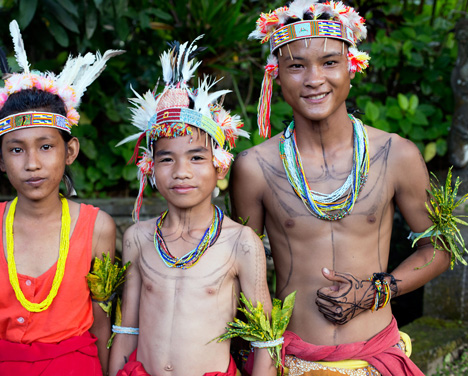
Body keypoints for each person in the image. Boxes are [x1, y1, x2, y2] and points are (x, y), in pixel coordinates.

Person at [230, 1, 450, 375]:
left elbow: (439, 249)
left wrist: (377, 290)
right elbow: (236, 270)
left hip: (377, 358)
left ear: (353, 67)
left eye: (330, 62)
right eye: (296, 66)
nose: (314, 79)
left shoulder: (396, 154)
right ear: (275, 76)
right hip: (291, 360)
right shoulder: (255, 168)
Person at [0, 20, 123, 375]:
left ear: (70, 151)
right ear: (0, 160)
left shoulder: (97, 228)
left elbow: (102, 325)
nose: (32, 164)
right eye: (16, 150)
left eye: (46, 146)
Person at [108, 38, 277, 376]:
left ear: (220, 166)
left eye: (197, 157)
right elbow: (126, 330)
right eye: (166, 159)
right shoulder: (138, 238)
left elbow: (266, 342)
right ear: (150, 169)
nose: (181, 172)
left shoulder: (240, 242)